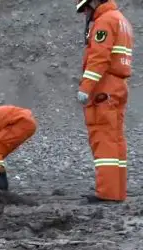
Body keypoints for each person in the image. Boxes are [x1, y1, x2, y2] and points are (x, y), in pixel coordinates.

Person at [76, 0, 134, 203]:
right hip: (118, 86)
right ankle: (117, 192)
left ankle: (108, 193)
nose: (85, 13)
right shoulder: (121, 20)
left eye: (85, 8)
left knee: (103, 138)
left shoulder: (105, 21)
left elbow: (99, 58)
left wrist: (85, 88)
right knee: (116, 139)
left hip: (104, 87)